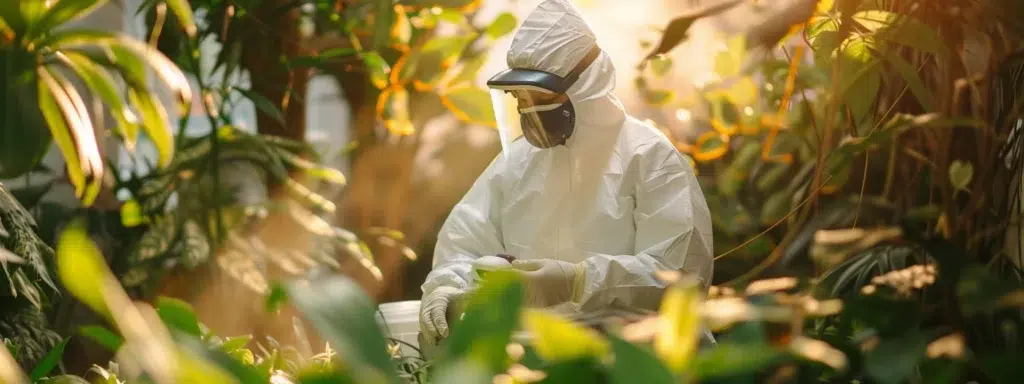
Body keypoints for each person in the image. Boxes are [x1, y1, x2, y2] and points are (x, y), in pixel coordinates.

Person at [419, 0, 714, 344]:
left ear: (585, 85)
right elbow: (465, 241)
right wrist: (446, 288)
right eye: (519, 96)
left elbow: (680, 276)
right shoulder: (517, 161)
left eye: (538, 95)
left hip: (636, 356)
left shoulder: (649, 157)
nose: (527, 108)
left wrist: (576, 281)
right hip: (536, 356)